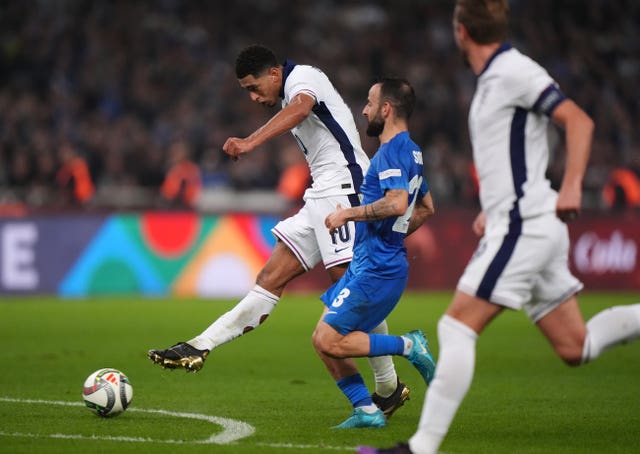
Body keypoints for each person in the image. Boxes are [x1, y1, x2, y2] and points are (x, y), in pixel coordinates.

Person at [358, 1, 640, 453]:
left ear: (461, 30)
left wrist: (570, 187)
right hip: (521, 220)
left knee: (455, 327)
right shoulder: (493, 80)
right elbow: (515, 153)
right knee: (576, 346)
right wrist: (492, 206)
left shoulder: (513, 71)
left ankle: (421, 447)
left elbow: (579, 122)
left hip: (525, 223)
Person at [148, 45, 410, 418]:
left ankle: (388, 385)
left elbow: (301, 107)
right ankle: (198, 345)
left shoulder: (304, 78)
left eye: (254, 88)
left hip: (344, 191)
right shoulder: (291, 87)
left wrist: (250, 142)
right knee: (270, 277)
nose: (254, 98)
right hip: (321, 195)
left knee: (351, 287)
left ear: (274, 74)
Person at [312, 77, 436, 429]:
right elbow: (426, 207)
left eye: (369, 102)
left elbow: (398, 204)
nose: (364, 109)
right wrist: (392, 237)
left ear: (386, 109)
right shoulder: (411, 151)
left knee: (328, 339)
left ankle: (409, 346)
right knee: (322, 339)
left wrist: (346, 214)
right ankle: (366, 410)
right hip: (372, 262)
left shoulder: (391, 153)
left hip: (376, 269)